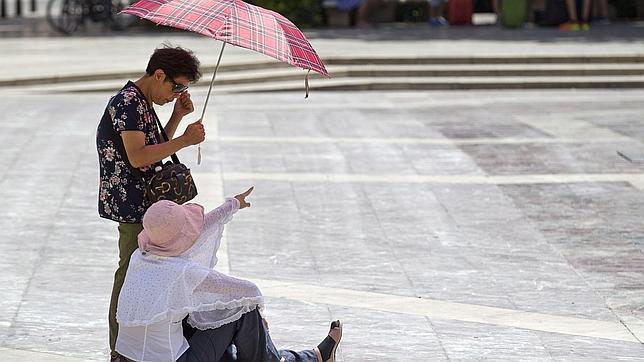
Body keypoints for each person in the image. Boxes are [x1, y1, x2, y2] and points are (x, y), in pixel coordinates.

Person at [115, 188, 344, 362]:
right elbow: (249, 292)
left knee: (221, 322)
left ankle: (309, 356)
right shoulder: (183, 272)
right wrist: (259, 320)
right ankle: (308, 357)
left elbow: (195, 231)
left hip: (128, 357)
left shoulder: (140, 256)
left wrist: (232, 205)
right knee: (243, 312)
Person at [96, 44, 206, 361]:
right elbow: (138, 156)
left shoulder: (141, 101)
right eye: (177, 86)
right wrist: (185, 140)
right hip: (134, 206)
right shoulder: (128, 103)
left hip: (148, 204)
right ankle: (119, 350)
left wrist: (176, 116)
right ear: (159, 75)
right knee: (129, 272)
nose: (178, 93)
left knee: (145, 272)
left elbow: (154, 145)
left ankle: (138, 344)